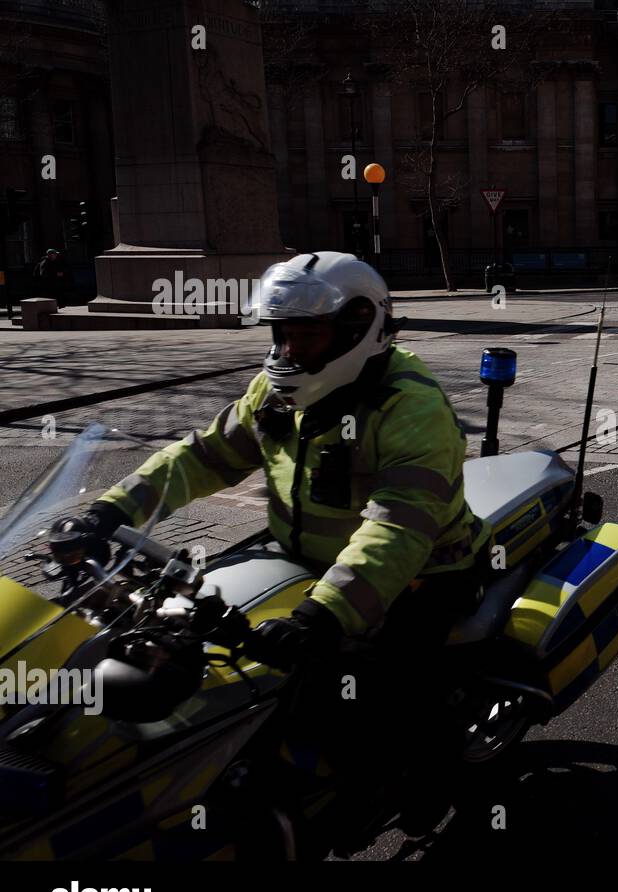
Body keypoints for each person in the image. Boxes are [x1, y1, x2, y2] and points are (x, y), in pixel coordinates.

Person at [54, 251, 491, 829]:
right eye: (281, 336)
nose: (288, 353)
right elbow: (202, 457)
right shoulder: (278, 391)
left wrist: (322, 614)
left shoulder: (410, 407)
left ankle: (426, 784)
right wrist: (107, 512)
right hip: (302, 558)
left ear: (358, 330)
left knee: (389, 698)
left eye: (305, 338)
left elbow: (400, 527)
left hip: (422, 575)